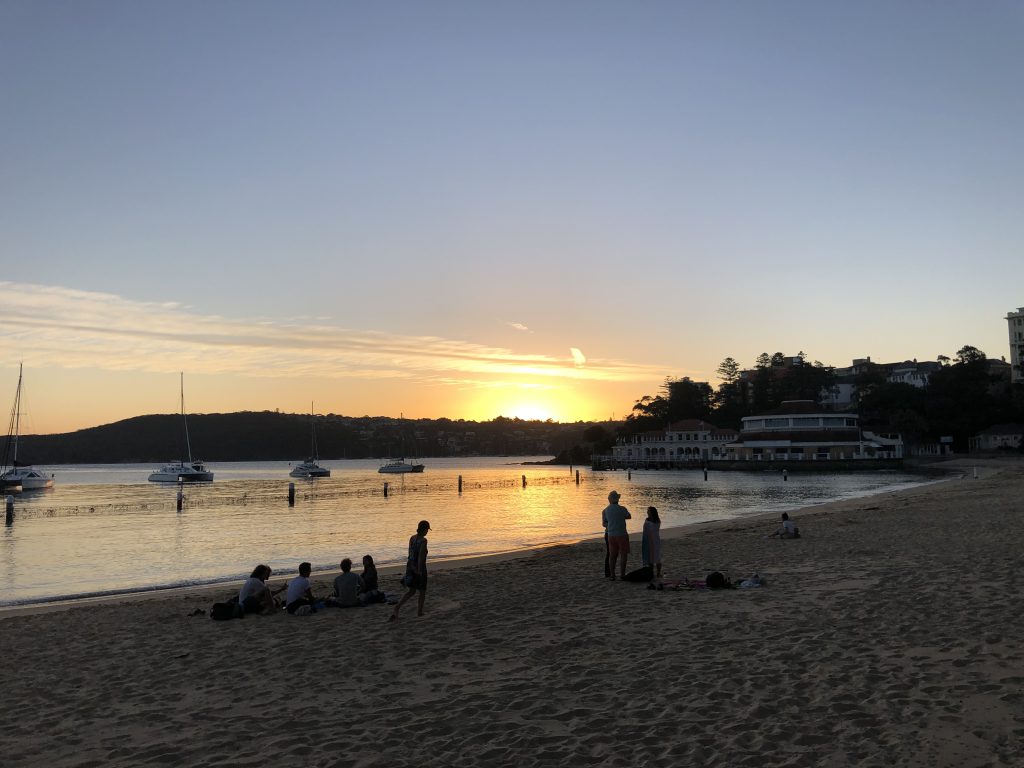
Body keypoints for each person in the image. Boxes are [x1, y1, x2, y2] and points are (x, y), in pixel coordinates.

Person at [390, 520, 430, 621]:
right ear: (424, 529)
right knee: (422, 591)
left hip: (410, 566)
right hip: (419, 567)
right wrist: (419, 571)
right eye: (427, 530)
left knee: (411, 591)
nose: (427, 532)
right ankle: (420, 612)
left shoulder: (412, 538)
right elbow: (421, 557)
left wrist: (411, 567)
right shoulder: (423, 541)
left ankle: (397, 607)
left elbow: (410, 554)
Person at [602, 491, 631, 580]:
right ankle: (622, 574)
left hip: (611, 534)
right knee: (623, 555)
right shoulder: (622, 509)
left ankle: (612, 575)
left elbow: (604, 523)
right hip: (622, 534)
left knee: (612, 555)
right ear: (618, 499)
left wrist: (611, 523)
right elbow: (629, 516)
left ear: (609, 499)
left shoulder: (605, 510)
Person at [641, 506, 662, 579]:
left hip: (655, 540)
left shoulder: (656, 520)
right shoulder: (649, 520)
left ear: (652, 512)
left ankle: (658, 573)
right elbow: (645, 530)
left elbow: (650, 529)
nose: (647, 512)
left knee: (657, 557)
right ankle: (652, 573)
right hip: (649, 540)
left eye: (648, 511)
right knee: (651, 557)